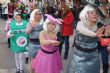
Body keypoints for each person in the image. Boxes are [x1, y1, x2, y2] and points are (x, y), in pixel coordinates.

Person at [68, 4, 105, 73]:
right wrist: (95, 34)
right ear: (86, 14)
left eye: (96, 12)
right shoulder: (81, 23)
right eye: (91, 12)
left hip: (94, 58)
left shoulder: (100, 26)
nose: (95, 14)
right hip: (79, 58)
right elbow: (81, 29)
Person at [25, 9, 43, 73]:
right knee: (33, 62)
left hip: (42, 45)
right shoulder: (30, 22)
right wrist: (32, 27)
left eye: (39, 14)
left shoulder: (43, 23)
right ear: (33, 15)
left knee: (41, 62)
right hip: (33, 45)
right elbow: (26, 32)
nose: (38, 15)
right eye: (36, 14)